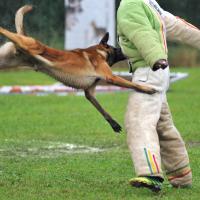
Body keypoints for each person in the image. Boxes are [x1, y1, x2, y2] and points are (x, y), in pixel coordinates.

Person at [117, 0, 200, 192]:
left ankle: (149, 172)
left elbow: (142, 34)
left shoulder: (129, 4)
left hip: (149, 70)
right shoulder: (149, 4)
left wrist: (156, 57)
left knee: (138, 121)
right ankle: (181, 174)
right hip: (159, 72)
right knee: (163, 126)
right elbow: (178, 27)